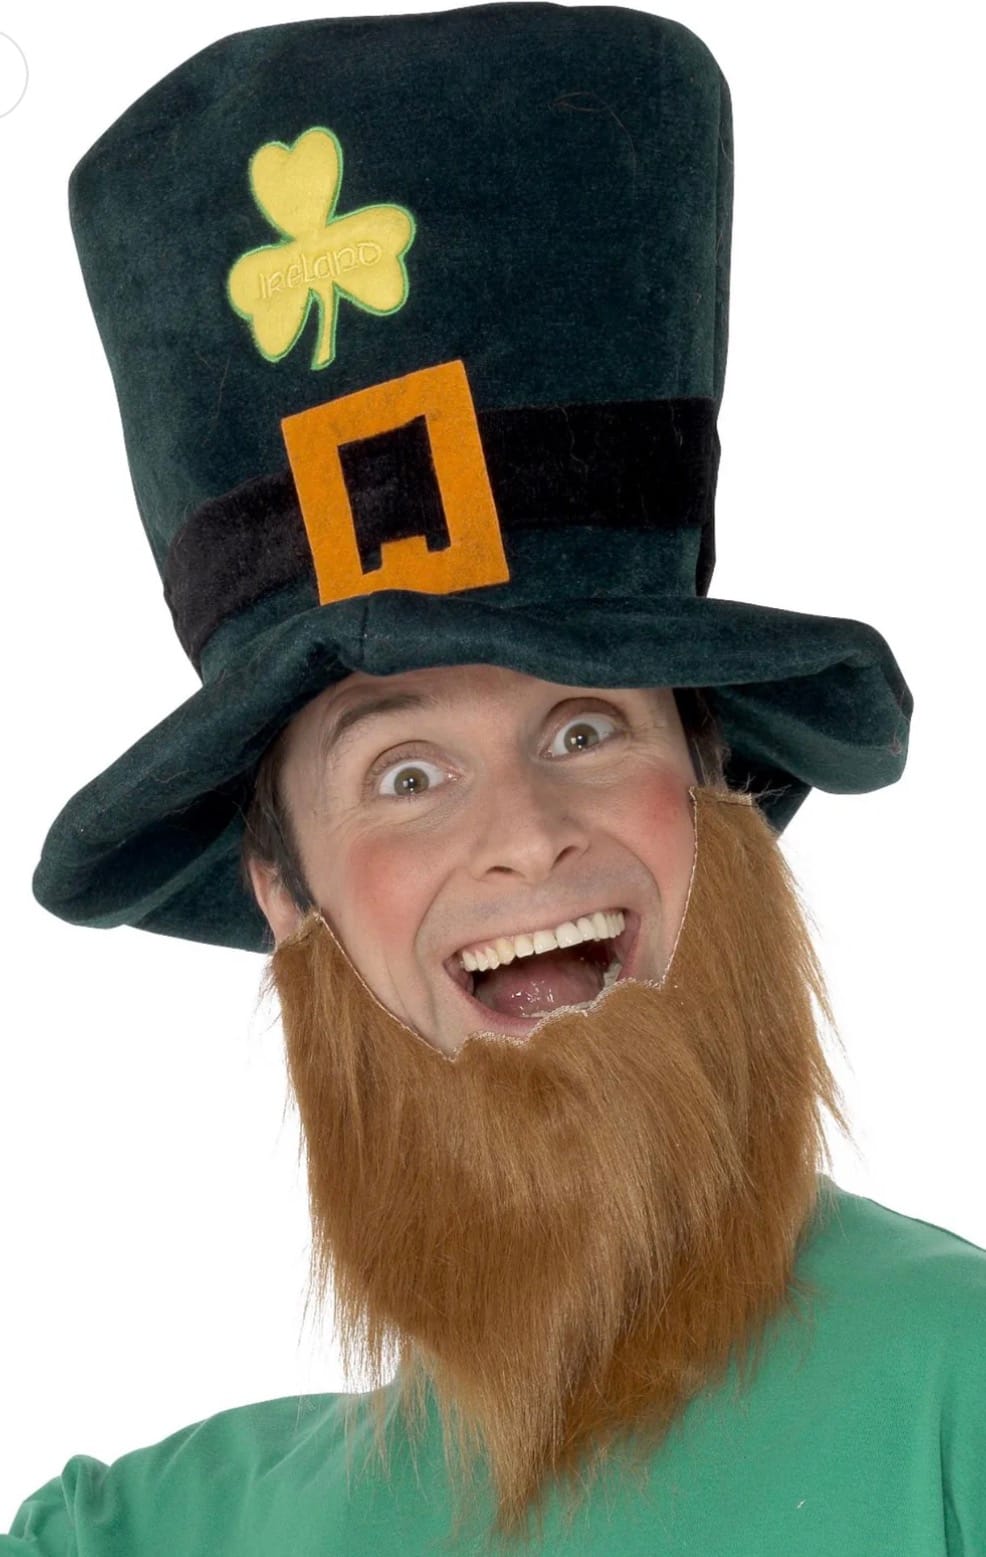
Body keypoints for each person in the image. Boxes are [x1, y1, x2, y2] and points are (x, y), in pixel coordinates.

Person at [5, 5, 984, 1554]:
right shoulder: (145, 1535)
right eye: (404, 772)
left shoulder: (959, 1398)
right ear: (287, 892)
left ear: (712, 786)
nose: (523, 836)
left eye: (585, 729)